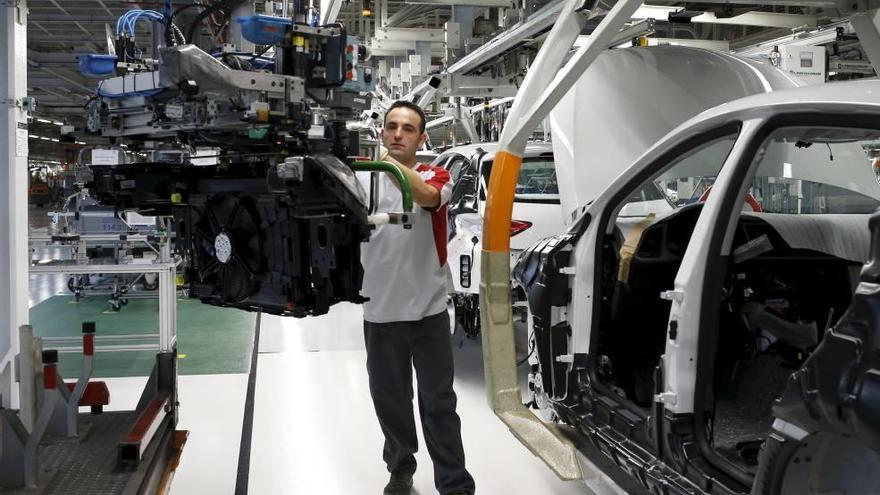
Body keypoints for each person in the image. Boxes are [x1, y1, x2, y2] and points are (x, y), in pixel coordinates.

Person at [358, 100, 476, 495]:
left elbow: (427, 197)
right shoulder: (362, 182)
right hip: (379, 312)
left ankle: (455, 484)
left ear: (421, 137)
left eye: (407, 129)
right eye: (391, 126)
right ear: (381, 132)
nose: (397, 134)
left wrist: (385, 164)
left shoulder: (436, 173)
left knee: (438, 403)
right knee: (391, 404)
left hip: (428, 314)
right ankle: (400, 468)